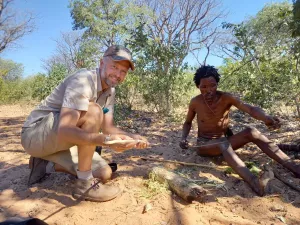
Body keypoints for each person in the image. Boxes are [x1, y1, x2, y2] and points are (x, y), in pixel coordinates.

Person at [21, 45, 149, 202]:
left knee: (104, 173)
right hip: (34, 135)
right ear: (102, 63)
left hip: (56, 142)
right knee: (94, 110)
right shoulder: (83, 80)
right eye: (114, 67)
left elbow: (108, 128)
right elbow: (65, 130)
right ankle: (84, 185)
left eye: (123, 71)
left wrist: (132, 137)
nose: (117, 74)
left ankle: (47, 163)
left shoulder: (110, 91)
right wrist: (106, 141)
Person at [179, 65, 300, 196]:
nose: (209, 90)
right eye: (204, 87)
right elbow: (187, 122)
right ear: (198, 87)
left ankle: (294, 167)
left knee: (251, 131)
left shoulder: (226, 98)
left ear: (217, 84)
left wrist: (266, 118)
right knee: (222, 143)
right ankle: (255, 183)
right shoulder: (195, 102)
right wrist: (183, 138)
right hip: (205, 145)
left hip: (224, 143)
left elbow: (250, 109)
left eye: (212, 85)